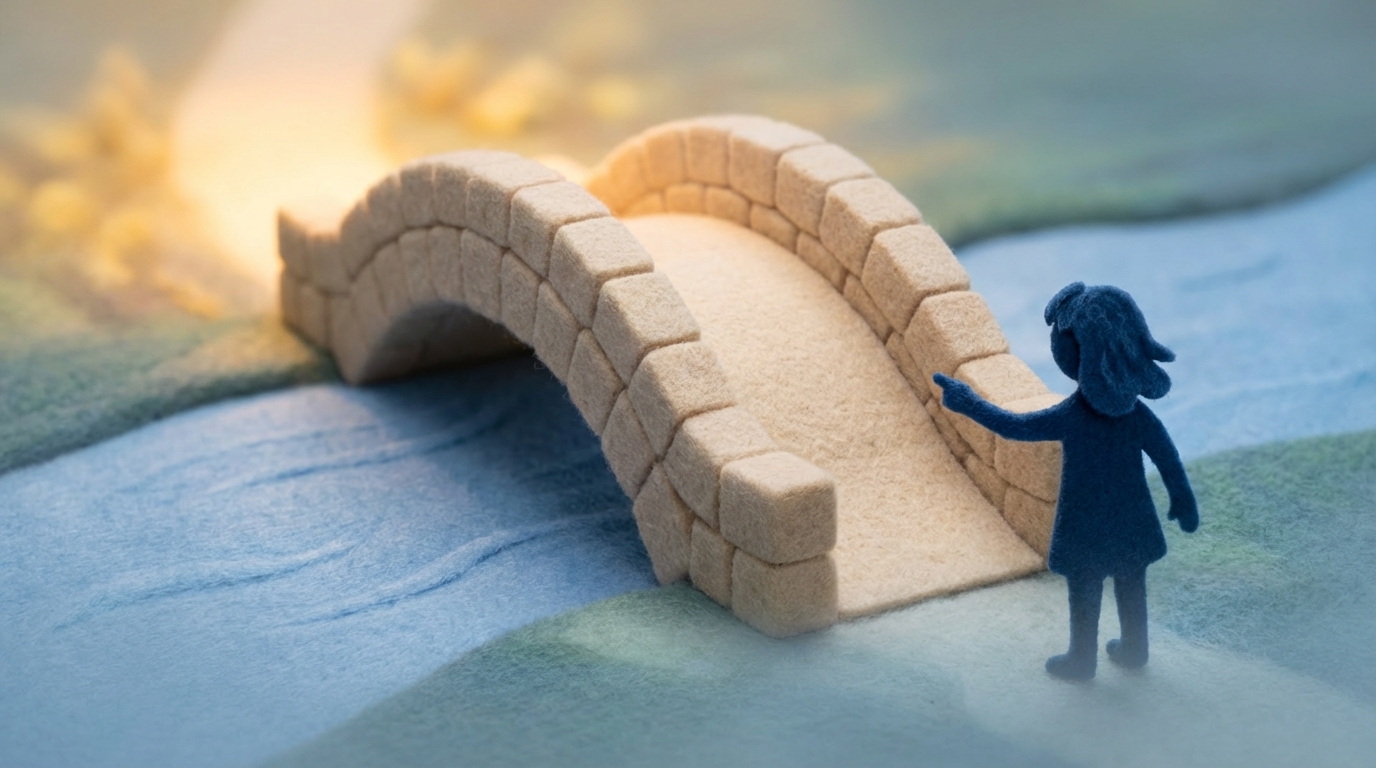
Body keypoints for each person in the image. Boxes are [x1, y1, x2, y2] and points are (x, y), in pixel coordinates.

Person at [933, 282, 1197, 680]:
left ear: (1081, 351)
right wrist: (1182, 498)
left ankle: (1082, 659)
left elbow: (1015, 427)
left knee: (1086, 587)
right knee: (1130, 582)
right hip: (1132, 520)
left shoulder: (1073, 416)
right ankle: (1134, 648)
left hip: (1085, 523)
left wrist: (969, 403)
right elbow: (1166, 457)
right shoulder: (1137, 417)